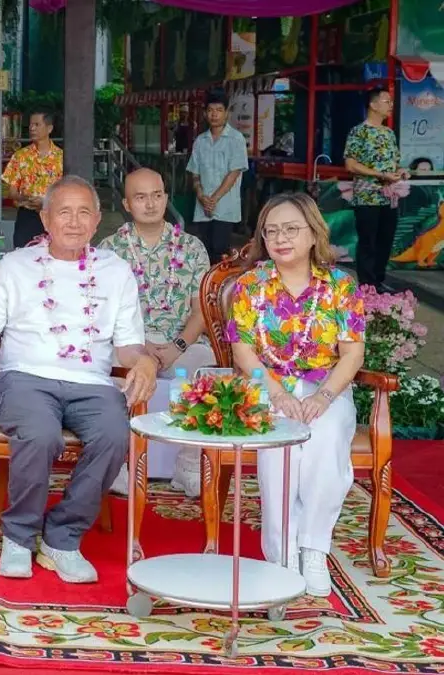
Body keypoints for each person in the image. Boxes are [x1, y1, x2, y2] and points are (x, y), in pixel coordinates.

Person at [0, 175, 158, 582]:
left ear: (97, 220)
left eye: (84, 212)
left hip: (93, 383)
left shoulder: (116, 271)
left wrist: (147, 361)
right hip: (26, 379)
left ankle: (62, 537)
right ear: (45, 218)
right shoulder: (15, 266)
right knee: (41, 434)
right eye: (64, 211)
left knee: (117, 434)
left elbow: (129, 346)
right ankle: (18, 536)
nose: (74, 221)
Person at [223, 192, 365, 597]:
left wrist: (322, 397)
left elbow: (353, 352)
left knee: (326, 436)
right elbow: (242, 349)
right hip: (270, 385)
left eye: (290, 229)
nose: (281, 238)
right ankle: (281, 553)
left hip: (327, 385)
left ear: (312, 233)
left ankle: (314, 547)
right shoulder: (251, 285)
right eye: (271, 231)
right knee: (280, 445)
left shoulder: (341, 285)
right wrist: (277, 393)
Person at [98, 168, 214, 498]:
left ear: (166, 198)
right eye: (140, 197)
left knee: (204, 368)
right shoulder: (109, 249)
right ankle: (120, 464)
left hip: (183, 345)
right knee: (110, 373)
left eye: (156, 195)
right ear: (126, 203)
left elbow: (201, 310)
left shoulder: (191, 247)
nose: (150, 203)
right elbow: (104, 310)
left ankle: (188, 466)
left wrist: (176, 346)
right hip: (129, 344)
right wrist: (140, 347)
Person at [344, 87, 409, 292]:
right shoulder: (359, 131)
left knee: (385, 240)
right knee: (368, 242)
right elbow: (350, 164)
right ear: (373, 105)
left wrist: (400, 172)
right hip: (367, 196)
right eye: (386, 101)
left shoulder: (389, 133)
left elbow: (394, 163)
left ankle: (379, 282)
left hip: (390, 198)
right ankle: (367, 286)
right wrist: (380, 175)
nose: (391, 105)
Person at [186, 89, 249, 263]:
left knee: (219, 249)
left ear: (227, 113)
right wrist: (200, 195)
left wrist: (213, 199)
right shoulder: (200, 141)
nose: (214, 114)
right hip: (203, 207)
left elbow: (234, 173)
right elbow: (195, 173)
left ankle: (219, 287)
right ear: (206, 113)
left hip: (224, 207)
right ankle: (205, 287)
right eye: (211, 110)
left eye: (219, 110)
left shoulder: (236, 139)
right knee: (204, 250)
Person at [2, 109, 63, 248]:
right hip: (27, 217)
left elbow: (67, 192)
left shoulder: (61, 158)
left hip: (53, 215)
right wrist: (25, 198)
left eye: (36, 124)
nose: (31, 128)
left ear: (49, 128)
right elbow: (11, 192)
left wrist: (46, 202)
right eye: (30, 125)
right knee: (23, 259)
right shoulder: (20, 156)